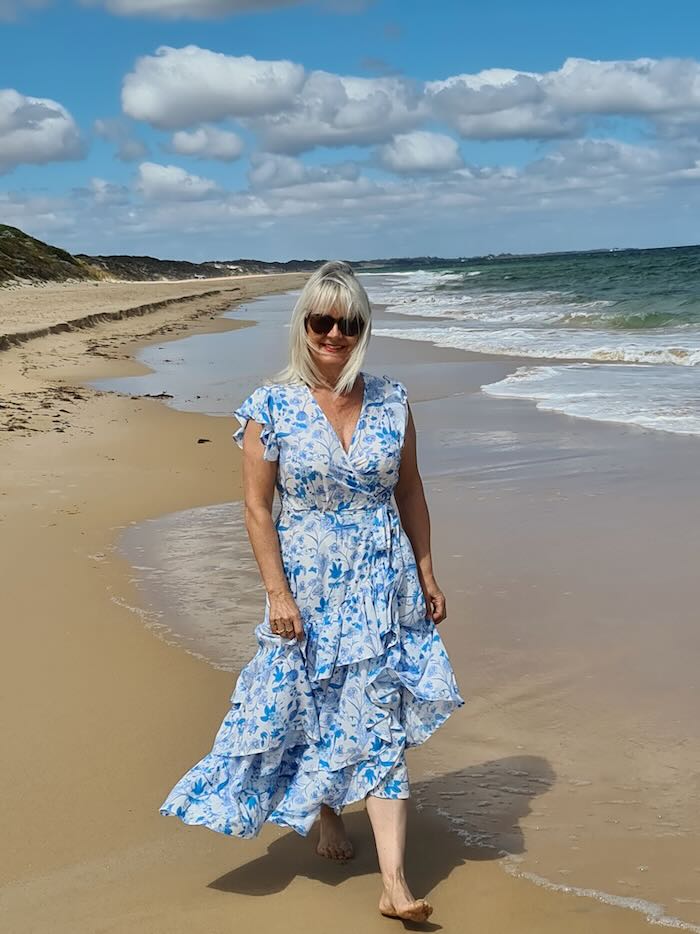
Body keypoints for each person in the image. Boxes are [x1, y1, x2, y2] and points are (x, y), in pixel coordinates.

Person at [160, 260, 464, 922]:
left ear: (362, 329)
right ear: (303, 325)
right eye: (321, 321)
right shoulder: (270, 407)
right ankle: (327, 809)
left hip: (382, 583)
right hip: (308, 585)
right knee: (316, 705)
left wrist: (428, 571)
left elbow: (409, 489)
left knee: (378, 718)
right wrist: (278, 594)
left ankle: (395, 883)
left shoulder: (392, 399)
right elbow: (256, 509)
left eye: (348, 322)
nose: (334, 334)